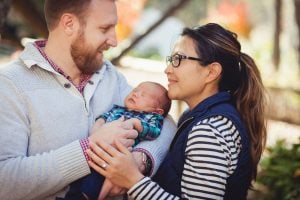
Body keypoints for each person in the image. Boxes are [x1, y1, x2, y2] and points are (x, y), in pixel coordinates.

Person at [0, 0, 176, 199]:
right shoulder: (10, 85)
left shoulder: (109, 74)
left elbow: (165, 121)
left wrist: (140, 160)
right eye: (104, 28)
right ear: (69, 24)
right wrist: (90, 150)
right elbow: (5, 180)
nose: (114, 40)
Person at [87, 23, 267, 200]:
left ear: (211, 72)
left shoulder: (209, 130)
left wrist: (133, 180)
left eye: (178, 59)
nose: (167, 69)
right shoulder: (201, 117)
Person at [62, 81, 171, 200]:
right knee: (79, 180)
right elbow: (103, 117)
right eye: (135, 90)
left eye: (143, 95)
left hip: (117, 157)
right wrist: (98, 128)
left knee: (94, 184)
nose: (135, 94)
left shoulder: (152, 118)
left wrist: (137, 124)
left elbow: (154, 132)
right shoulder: (118, 109)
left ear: (157, 111)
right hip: (96, 151)